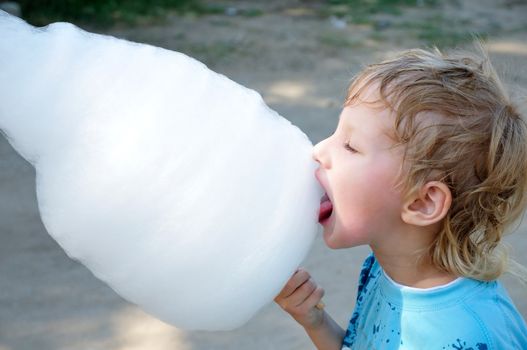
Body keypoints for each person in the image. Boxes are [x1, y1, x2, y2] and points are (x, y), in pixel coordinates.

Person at [274, 45, 527, 349]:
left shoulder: (467, 337)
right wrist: (314, 321)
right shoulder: (383, 269)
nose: (319, 150)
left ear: (422, 202)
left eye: (350, 146)